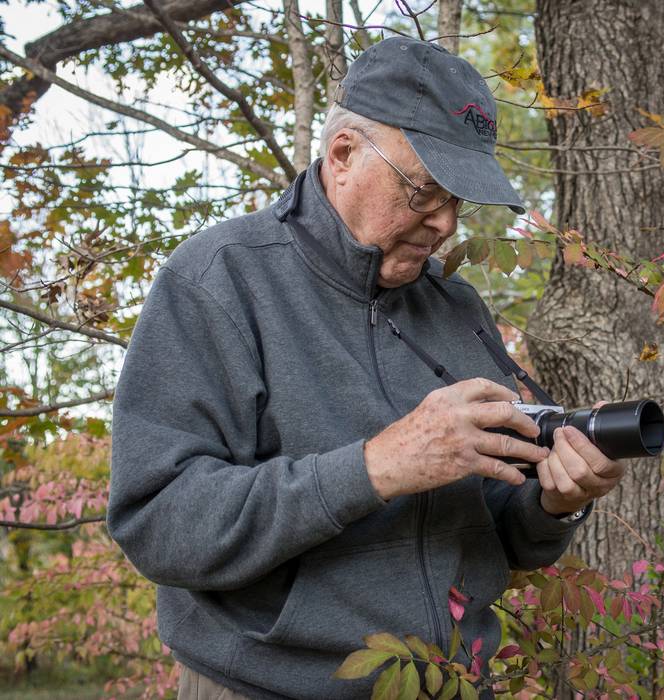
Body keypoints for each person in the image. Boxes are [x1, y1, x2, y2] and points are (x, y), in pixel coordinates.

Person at [107, 37, 625, 699]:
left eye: (458, 200)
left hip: (450, 686)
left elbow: (494, 533)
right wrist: (374, 467)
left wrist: (554, 504)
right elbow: (160, 526)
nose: (443, 223)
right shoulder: (218, 280)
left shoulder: (453, 306)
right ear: (345, 154)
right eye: (423, 191)